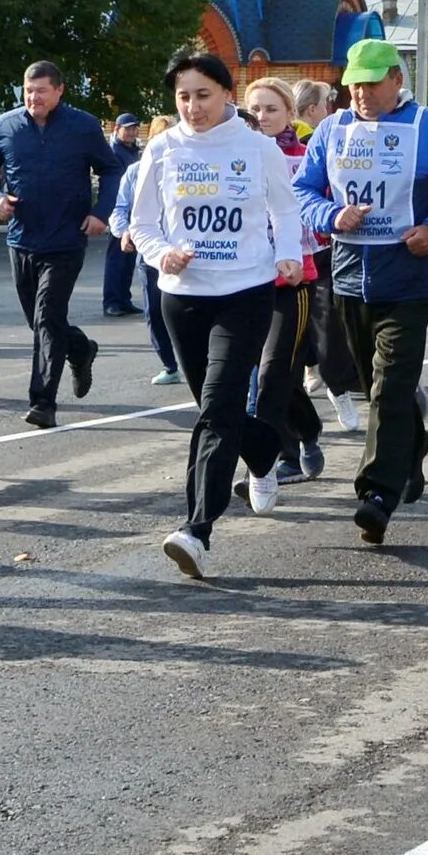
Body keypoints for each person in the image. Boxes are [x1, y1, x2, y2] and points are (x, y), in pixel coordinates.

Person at [292, 38, 428, 545]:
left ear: (396, 79)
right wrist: (332, 215)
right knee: (374, 388)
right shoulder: (331, 131)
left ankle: (376, 494)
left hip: (406, 282)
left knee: (392, 385)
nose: (360, 94)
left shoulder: (426, 128)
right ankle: (411, 447)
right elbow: (303, 191)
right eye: (352, 84)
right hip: (349, 278)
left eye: (371, 83)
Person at [127, 51, 306, 577]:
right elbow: (142, 224)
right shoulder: (161, 148)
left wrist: (287, 253)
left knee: (219, 404)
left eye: (203, 94)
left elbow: (284, 208)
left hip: (244, 291)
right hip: (182, 296)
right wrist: (163, 254)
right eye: (183, 96)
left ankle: (196, 529)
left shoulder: (257, 148)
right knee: (217, 410)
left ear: (228, 93)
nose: (192, 106)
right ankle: (265, 447)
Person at [0, 60, 125, 428]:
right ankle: (80, 348)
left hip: (65, 239)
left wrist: (101, 213)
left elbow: (111, 169)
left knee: (46, 317)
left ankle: (43, 402)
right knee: (41, 321)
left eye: (41, 90)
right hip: (22, 239)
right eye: (28, 90)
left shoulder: (83, 126)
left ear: (59, 91)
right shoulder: (6, 125)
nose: (33, 97)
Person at [243, 75, 330, 485]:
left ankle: (281, 460)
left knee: (272, 372)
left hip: (293, 280)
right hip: (245, 279)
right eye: (256, 109)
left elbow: (321, 204)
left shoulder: (306, 155)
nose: (262, 117)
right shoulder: (238, 156)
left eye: (271, 109)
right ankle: (309, 431)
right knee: (275, 375)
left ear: (290, 114)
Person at [107, 146, 179, 386]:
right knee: (155, 313)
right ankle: (170, 366)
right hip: (149, 255)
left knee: (188, 313)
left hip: (183, 255)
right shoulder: (135, 172)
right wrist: (124, 231)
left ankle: (203, 364)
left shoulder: (186, 167)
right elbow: (120, 208)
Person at [100, 112, 149, 317]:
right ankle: (111, 301)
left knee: (128, 259)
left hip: (132, 211)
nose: (131, 132)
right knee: (117, 259)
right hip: (119, 210)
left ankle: (123, 299)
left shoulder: (131, 151)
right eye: (127, 128)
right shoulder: (114, 152)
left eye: (134, 128)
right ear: (117, 129)